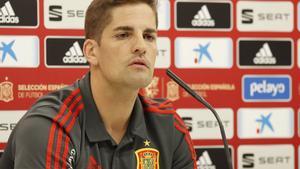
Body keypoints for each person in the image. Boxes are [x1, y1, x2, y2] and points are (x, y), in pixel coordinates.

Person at [0, 0, 196, 168]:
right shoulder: (49, 127)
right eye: (123, 35)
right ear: (91, 52)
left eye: (148, 36)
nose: (141, 47)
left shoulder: (168, 125)